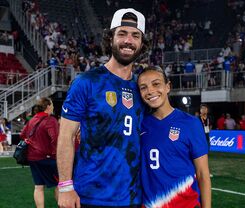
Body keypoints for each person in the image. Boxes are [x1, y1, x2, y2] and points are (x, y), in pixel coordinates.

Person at [57, 8, 149, 208]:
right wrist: (65, 186)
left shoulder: (142, 89)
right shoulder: (86, 82)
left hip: (133, 198)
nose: (128, 41)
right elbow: (66, 136)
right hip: (91, 196)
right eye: (122, 33)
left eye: (135, 35)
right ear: (110, 39)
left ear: (142, 44)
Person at [138, 66, 211, 208]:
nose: (150, 91)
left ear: (168, 86)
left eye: (156, 84)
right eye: (143, 87)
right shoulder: (139, 125)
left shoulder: (191, 123)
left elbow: (203, 174)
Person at [20, 97, 59, 208]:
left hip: (33, 157)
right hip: (48, 158)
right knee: (60, 185)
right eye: (51, 104)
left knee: (38, 186)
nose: (53, 106)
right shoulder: (50, 120)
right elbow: (56, 139)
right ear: (47, 106)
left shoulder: (32, 119)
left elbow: (22, 135)